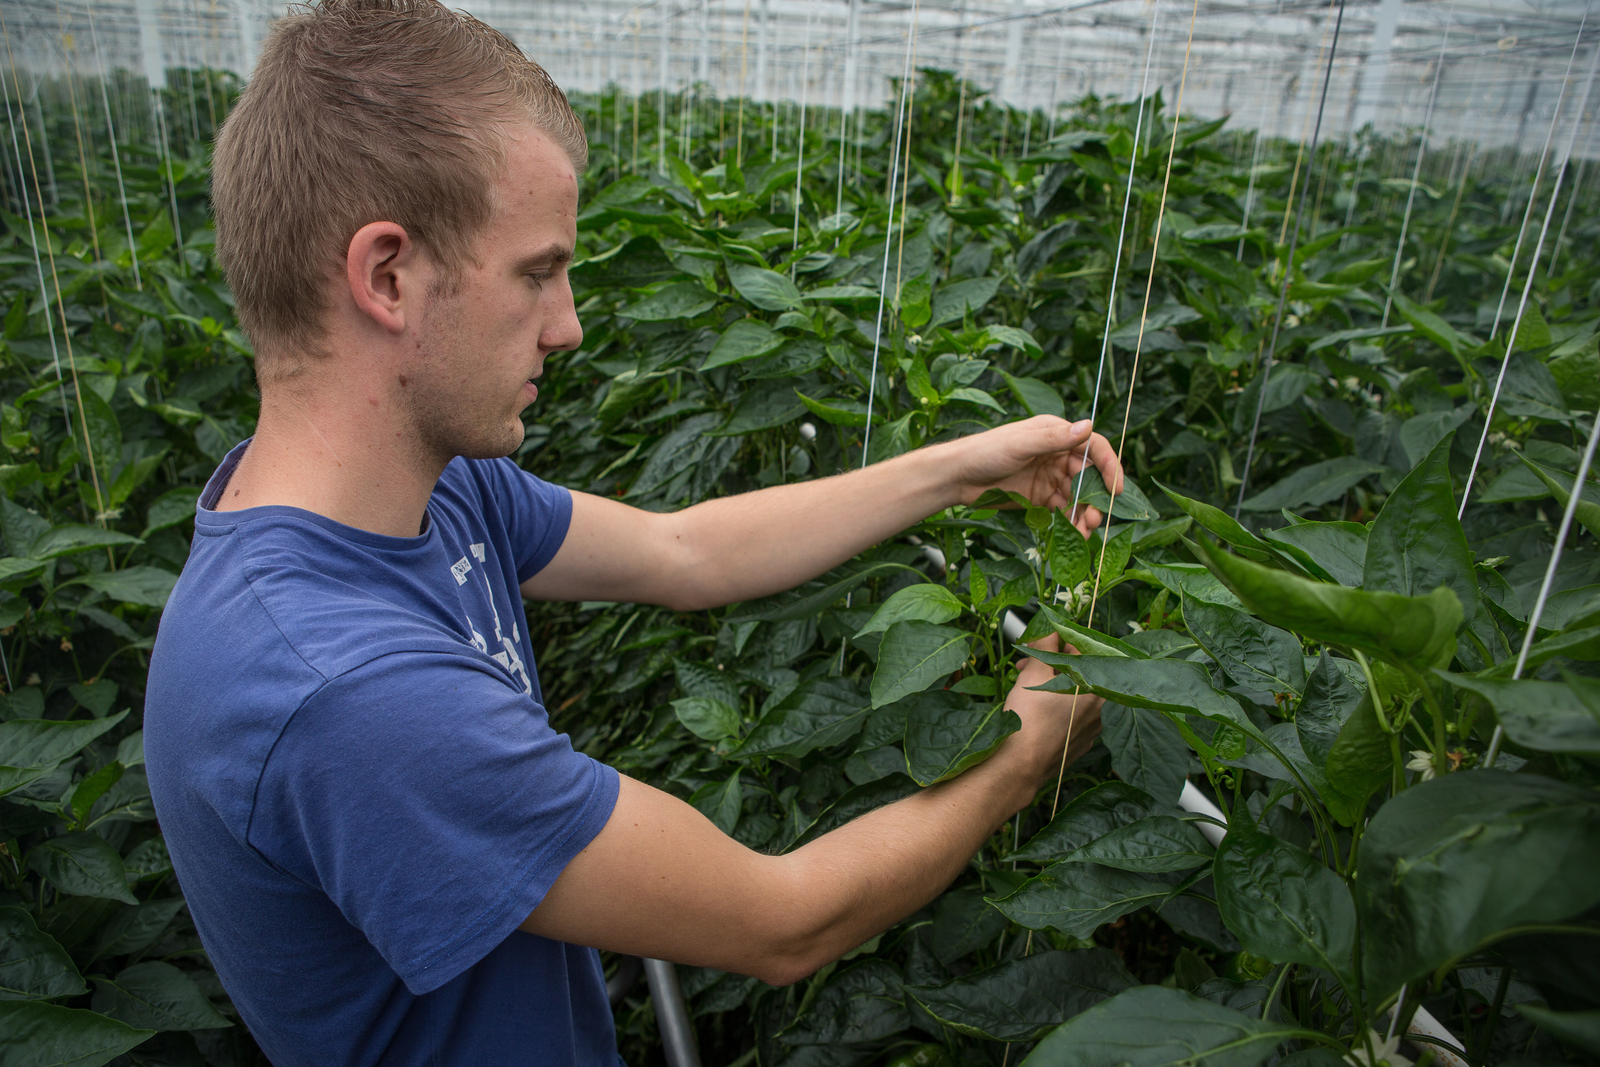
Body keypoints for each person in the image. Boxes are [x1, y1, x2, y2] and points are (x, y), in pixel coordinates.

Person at [143, 1, 1123, 1064]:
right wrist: (1029, 744)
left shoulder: (420, 496)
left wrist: (957, 470)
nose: (565, 322)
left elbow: (683, 551)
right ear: (387, 276)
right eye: (535, 271)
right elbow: (782, 918)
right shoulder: (342, 691)